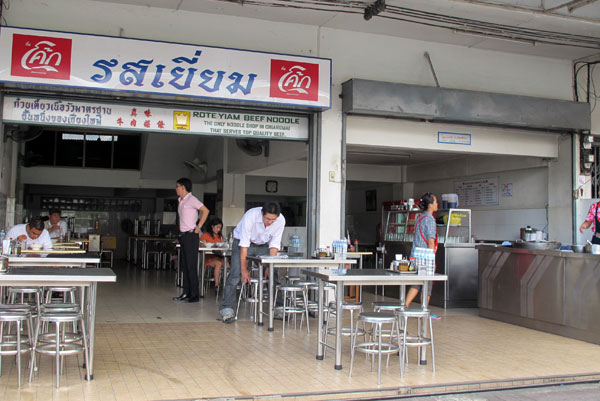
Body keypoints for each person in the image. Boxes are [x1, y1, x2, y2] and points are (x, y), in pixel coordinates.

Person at [219, 201, 285, 323]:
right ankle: (226, 309)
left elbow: (274, 245)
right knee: (235, 274)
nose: (270, 222)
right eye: (267, 219)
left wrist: (270, 267)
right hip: (242, 243)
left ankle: (278, 308)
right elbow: (244, 245)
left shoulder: (280, 220)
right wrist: (244, 270)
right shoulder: (251, 215)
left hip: (264, 246)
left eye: (273, 220)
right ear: (262, 213)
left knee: (273, 274)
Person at [173, 177, 209, 303]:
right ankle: (186, 292)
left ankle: (194, 295)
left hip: (191, 236)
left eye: (177, 186)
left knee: (191, 265)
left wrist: (199, 227)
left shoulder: (192, 199)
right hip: (183, 235)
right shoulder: (180, 200)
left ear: (183, 187)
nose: (176, 189)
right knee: (184, 265)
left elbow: (205, 211)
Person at [405, 192, 438, 308]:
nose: (437, 204)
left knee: (417, 282)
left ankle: (405, 304)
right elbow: (430, 241)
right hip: (425, 257)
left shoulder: (420, 218)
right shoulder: (430, 220)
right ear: (430, 205)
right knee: (427, 284)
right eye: (435, 202)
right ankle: (423, 310)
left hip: (415, 255)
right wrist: (432, 261)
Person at [201, 217, 225, 289]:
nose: (219, 229)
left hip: (219, 257)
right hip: (209, 259)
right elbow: (202, 246)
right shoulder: (205, 236)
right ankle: (217, 285)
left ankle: (227, 285)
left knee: (230, 263)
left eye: (220, 228)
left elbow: (222, 246)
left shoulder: (221, 237)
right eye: (217, 227)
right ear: (212, 226)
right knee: (218, 263)